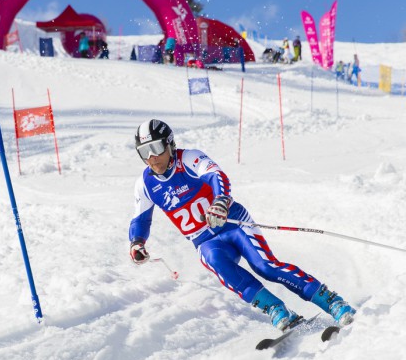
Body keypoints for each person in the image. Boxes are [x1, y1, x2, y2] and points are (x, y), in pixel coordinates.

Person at [128, 119, 355, 330]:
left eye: (156, 148)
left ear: (170, 144)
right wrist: (137, 242)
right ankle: (276, 309)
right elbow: (140, 219)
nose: (152, 157)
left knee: (265, 266)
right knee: (219, 264)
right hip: (204, 240)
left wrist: (220, 202)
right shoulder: (144, 184)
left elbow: (217, 176)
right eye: (144, 152)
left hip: (231, 223)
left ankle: (331, 301)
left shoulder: (188, 159)